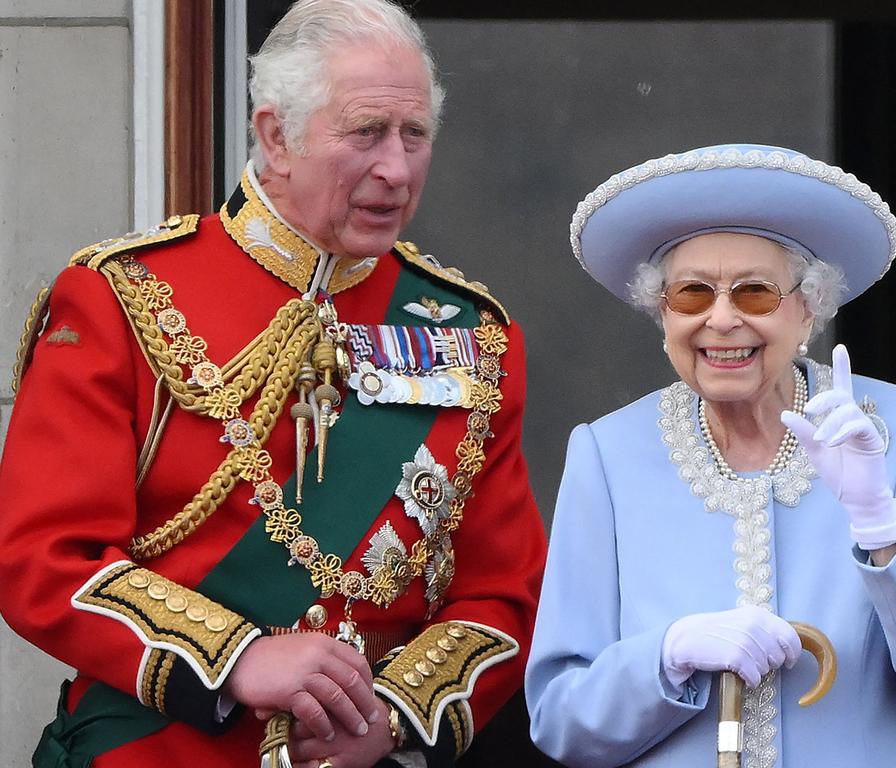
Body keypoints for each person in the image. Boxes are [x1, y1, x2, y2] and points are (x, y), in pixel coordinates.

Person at [0, 1, 547, 766]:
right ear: (275, 135)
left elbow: (505, 598)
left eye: (414, 134)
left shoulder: (472, 336)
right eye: (366, 132)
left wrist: (389, 716)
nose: (395, 167)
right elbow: (46, 557)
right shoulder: (122, 296)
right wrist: (237, 660)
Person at [525, 143, 896, 767]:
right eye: (692, 294)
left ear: (808, 310)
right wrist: (665, 656)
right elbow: (562, 722)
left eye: (755, 293)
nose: (721, 320)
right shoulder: (607, 455)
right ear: (662, 315)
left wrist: (883, 528)